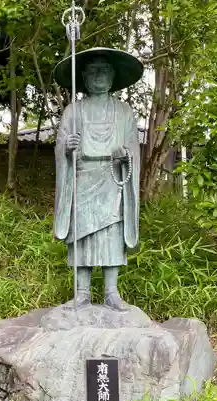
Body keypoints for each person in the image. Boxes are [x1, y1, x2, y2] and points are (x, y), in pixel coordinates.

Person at [53, 47, 143, 309]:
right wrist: (67, 147)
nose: (99, 75)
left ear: (113, 75)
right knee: (82, 235)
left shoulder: (124, 111)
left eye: (105, 70)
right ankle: (81, 292)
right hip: (82, 178)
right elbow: (60, 147)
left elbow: (133, 147)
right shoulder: (73, 111)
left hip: (113, 179)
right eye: (93, 71)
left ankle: (111, 292)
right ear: (83, 76)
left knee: (112, 234)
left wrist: (126, 154)